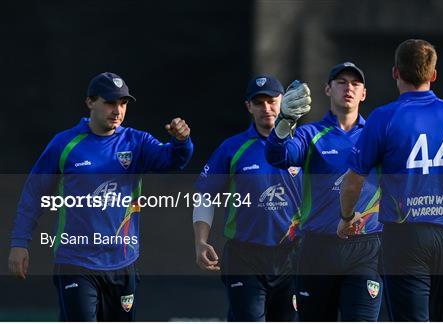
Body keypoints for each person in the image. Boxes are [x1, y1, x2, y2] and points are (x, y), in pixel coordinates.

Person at [8, 72, 194, 321]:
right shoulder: (65, 144)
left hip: (122, 262)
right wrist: (19, 242)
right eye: (109, 102)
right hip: (76, 262)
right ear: (89, 102)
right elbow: (33, 193)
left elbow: (173, 160)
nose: (117, 110)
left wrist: (182, 142)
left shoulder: (136, 142)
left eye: (123, 103)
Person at [339, 39, 443, 321]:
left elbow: (352, 182)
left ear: (395, 72)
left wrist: (346, 217)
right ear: (433, 75)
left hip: (406, 238)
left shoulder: (384, 117)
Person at [265, 63, 383, 321]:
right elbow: (278, 156)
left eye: (355, 83)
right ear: (328, 89)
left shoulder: (376, 134)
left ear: (363, 93)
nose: (348, 88)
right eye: (341, 82)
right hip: (317, 249)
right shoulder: (311, 134)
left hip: (365, 248)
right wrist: (283, 123)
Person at [193, 75, 305, 321]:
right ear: (249, 107)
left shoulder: (301, 144)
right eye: (259, 102)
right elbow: (204, 194)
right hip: (245, 256)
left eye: (272, 101)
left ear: (283, 101)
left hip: (291, 257)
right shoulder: (233, 148)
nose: (267, 108)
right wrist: (201, 241)